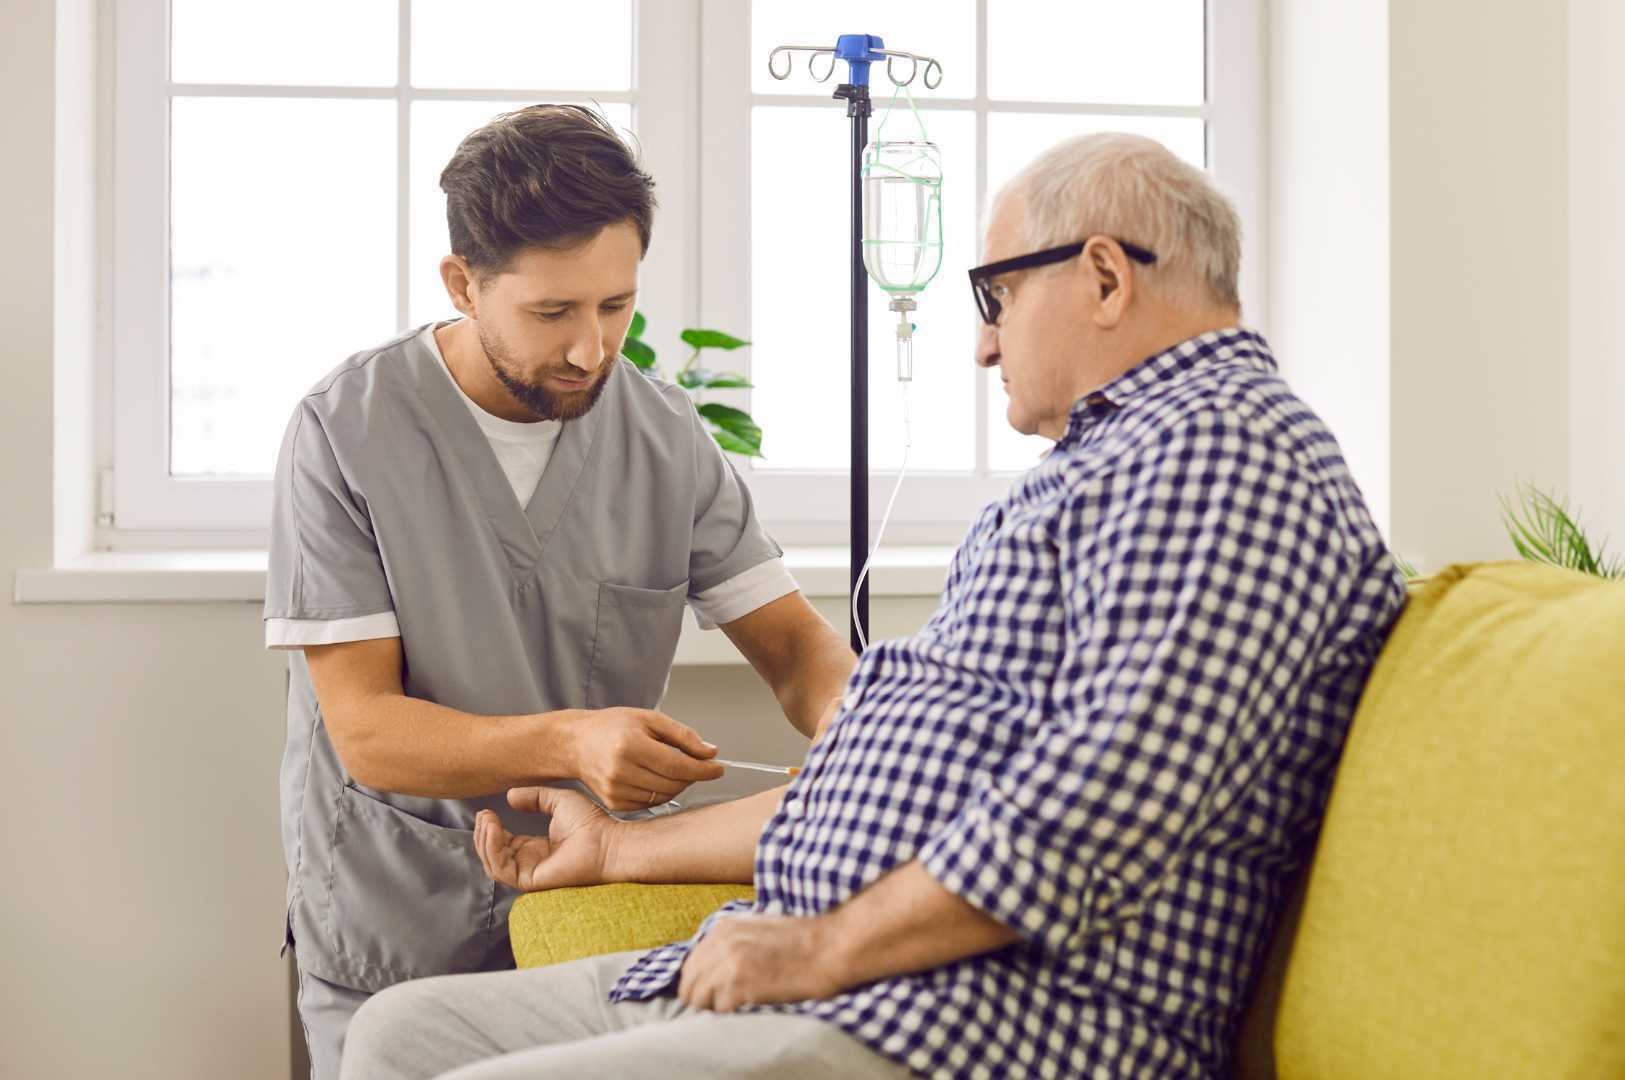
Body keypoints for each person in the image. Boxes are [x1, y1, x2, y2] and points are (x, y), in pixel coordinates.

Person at [340, 132, 1409, 1080]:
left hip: (979, 1014)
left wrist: (820, 949)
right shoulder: (1110, 468)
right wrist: (621, 853)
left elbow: (1109, 797)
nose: (983, 343)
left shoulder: (1218, 453)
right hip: (862, 976)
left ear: (1100, 278)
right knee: (399, 1038)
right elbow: (899, 781)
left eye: (994, 297)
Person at [264, 104, 855, 1080]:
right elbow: (366, 732)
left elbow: (793, 649)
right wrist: (574, 739)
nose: (592, 349)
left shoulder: (665, 437)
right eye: (553, 313)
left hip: (583, 923)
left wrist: (875, 731)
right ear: (462, 283)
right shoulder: (345, 432)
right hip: (395, 917)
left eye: (615, 306)